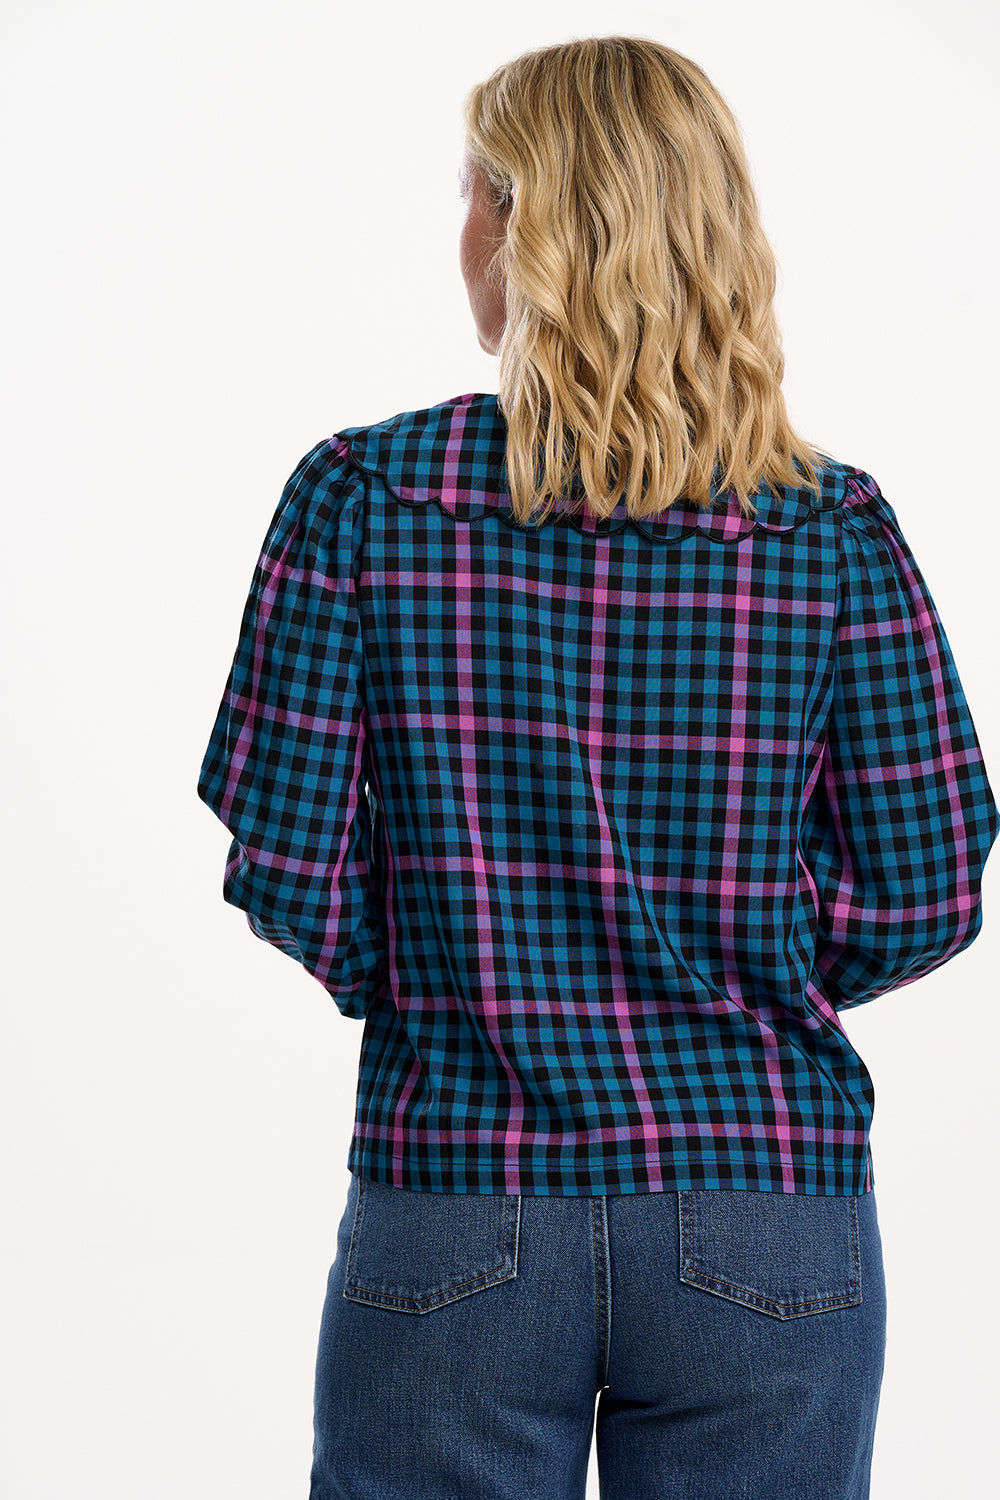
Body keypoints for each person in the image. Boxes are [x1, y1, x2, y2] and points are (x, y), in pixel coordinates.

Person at [196, 35, 1000, 1500]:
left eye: (472, 192)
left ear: (523, 225)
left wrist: (448, 976)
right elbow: (930, 886)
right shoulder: (829, 533)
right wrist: (742, 968)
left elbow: (289, 866)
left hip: (457, 1184)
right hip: (764, 1196)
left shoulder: (364, 499)